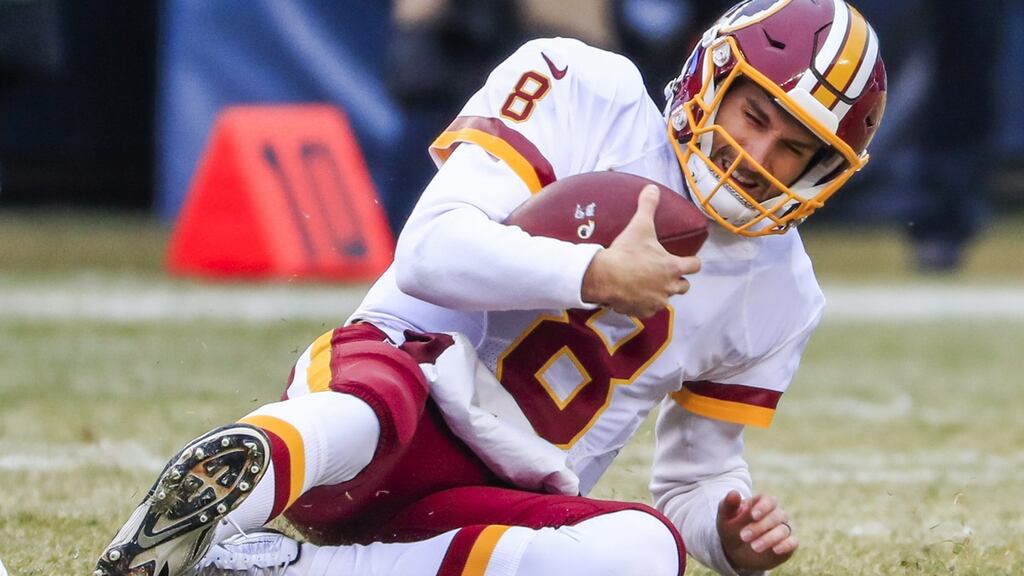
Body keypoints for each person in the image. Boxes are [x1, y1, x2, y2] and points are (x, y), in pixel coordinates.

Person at [94, 1, 886, 575]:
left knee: (648, 552)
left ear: (824, 176)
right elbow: (431, 251)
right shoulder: (586, 88)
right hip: (390, 390)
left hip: (489, 495)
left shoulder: (782, 292)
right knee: (372, 409)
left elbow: (695, 477)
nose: (757, 153)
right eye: (755, 114)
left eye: (793, 151)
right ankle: (203, 507)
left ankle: (268, 571)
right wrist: (593, 275)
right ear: (714, 73)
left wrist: (726, 532)